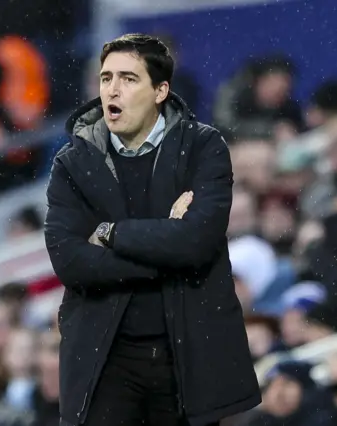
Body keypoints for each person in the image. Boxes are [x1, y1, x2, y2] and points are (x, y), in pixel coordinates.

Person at [44, 33, 260, 426]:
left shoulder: (203, 148)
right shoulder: (72, 161)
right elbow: (70, 261)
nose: (113, 89)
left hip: (186, 355)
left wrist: (110, 234)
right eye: (106, 78)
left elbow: (195, 243)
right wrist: (164, 247)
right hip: (104, 357)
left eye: (128, 79)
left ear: (161, 90)